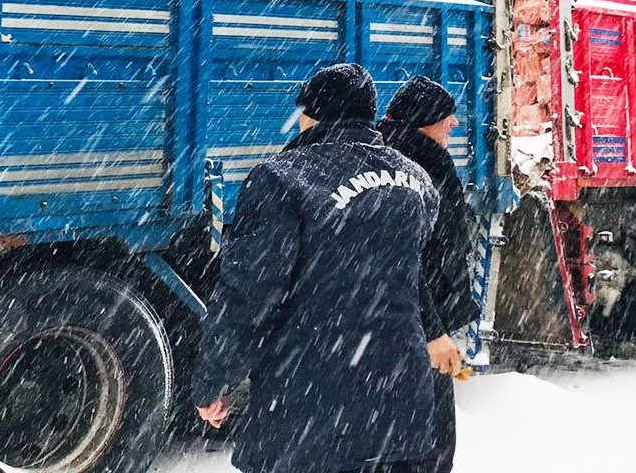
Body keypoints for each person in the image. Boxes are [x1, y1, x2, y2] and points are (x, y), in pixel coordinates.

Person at [191, 63, 440, 473]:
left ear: (312, 114)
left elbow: (249, 293)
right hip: (400, 402)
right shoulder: (415, 179)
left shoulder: (282, 179)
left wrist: (215, 379)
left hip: (311, 407)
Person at [375, 76, 480, 473]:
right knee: (429, 446)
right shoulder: (418, 168)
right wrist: (435, 331)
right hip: (417, 327)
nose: (454, 123)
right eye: (445, 115)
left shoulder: (397, 156)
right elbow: (405, 261)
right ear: (424, 120)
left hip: (405, 325)